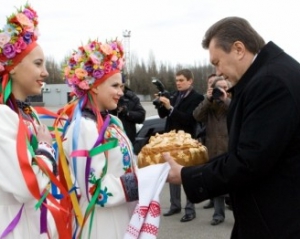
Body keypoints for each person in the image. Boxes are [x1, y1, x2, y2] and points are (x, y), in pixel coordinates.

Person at [163, 16, 300, 238]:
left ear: (238, 49)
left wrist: (188, 176)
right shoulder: (269, 74)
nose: (217, 73)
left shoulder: (271, 82)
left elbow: (248, 162)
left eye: (217, 62)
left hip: (276, 223)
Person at [0, 4, 73, 239]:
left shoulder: (25, 112)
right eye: (38, 64)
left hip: (32, 222)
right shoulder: (3, 116)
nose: (46, 73)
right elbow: (26, 186)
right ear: (12, 68)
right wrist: (46, 148)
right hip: (15, 226)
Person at [58, 39, 139, 238]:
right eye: (115, 86)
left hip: (120, 215)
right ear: (94, 86)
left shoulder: (112, 122)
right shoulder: (83, 127)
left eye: (122, 86)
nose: (121, 92)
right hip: (102, 223)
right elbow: (95, 191)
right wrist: (140, 181)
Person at [155, 69, 204, 222]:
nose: (178, 83)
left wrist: (170, 108)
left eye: (181, 80)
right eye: (177, 80)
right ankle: (175, 205)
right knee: (171, 173)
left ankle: (190, 209)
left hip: (186, 141)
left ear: (190, 81)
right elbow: (163, 116)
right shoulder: (175, 96)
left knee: (187, 174)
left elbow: (189, 119)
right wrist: (161, 105)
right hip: (171, 139)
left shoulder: (197, 97)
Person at [193, 76, 231, 226]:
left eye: (225, 87)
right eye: (219, 87)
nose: (222, 90)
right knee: (216, 183)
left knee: (234, 183)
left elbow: (237, 112)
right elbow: (196, 115)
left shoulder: (234, 102)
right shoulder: (209, 104)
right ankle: (218, 215)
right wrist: (207, 100)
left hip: (230, 147)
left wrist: (225, 99)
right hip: (213, 148)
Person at [109, 79, 146, 145]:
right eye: (115, 86)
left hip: (128, 140)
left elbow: (141, 116)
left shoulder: (131, 98)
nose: (119, 91)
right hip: (110, 141)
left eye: (121, 86)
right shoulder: (107, 97)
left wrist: (127, 113)